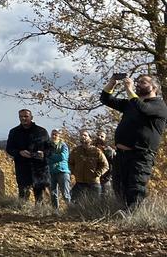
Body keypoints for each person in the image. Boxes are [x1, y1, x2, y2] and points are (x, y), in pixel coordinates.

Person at [100, 74, 167, 209]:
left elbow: (143, 109)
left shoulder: (159, 105)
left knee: (135, 188)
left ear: (154, 87)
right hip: (121, 155)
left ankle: (133, 219)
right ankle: (122, 219)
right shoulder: (132, 104)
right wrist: (112, 83)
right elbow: (105, 99)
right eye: (137, 82)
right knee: (119, 188)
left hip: (140, 155)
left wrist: (129, 89)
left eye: (143, 82)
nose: (138, 84)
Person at [5, 109, 51, 203]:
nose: (23, 118)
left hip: (39, 169)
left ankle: (39, 215)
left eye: (26, 116)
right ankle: (22, 214)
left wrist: (43, 154)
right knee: (23, 194)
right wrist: (19, 152)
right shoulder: (14, 132)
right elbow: (9, 149)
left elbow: (50, 148)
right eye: (21, 116)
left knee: (40, 197)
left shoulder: (41, 131)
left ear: (31, 117)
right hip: (22, 167)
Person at [68, 129, 109, 203]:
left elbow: (105, 165)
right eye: (81, 135)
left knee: (94, 204)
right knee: (74, 202)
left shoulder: (96, 151)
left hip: (93, 182)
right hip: (80, 182)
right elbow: (70, 163)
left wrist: (98, 173)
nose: (83, 137)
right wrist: (74, 172)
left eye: (85, 135)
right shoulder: (75, 151)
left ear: (90, 138)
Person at [46, 129, 71, 209]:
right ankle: (55, 211)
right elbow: (45, 157)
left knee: (65, 194)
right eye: (52, 134)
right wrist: (53, 156)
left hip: (62, 171)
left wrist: (51, 156)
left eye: (56, 134)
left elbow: (63, 157)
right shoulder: (48, 145)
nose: (54, 136)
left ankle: (70, 210)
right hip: (51, 172)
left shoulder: (63, 145)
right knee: (53, 194)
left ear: (59, 136)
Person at [95, 128, 117, 196]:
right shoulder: (91, 149)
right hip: (93, 179)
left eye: (102, 136)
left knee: (105, 197)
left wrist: (108, 177)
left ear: (105, 138)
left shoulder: (109, 151)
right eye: (98, 135)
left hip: (106, 179)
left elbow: (114, 165)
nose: (99, 137)